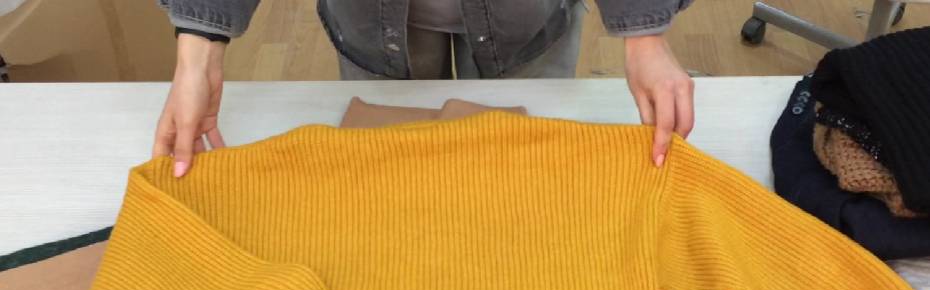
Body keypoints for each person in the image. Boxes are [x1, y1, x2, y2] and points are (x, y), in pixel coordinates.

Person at [155, 0, 696, 178]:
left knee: (522, 183)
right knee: (382, 182)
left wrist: (644, 30)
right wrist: (200, 46)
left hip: (524, 19)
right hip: (374, 21)